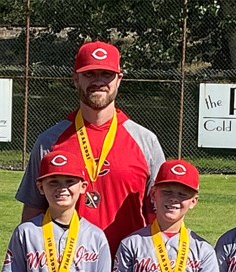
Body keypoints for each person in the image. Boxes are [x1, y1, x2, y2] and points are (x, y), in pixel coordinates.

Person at [15, 40, 166, 257]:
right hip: (65, 269)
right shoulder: (49, 141)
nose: (98, 82)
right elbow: (33, 209)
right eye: (89, 74)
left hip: (127, 270)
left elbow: (156, 211)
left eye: (106, 74)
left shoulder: (145, 141)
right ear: (75, 78)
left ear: (119, 79)